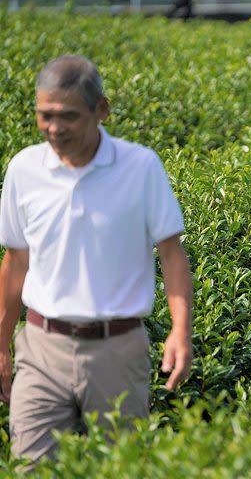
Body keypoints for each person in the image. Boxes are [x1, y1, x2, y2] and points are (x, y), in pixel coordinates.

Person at [0, 55, 193, 465]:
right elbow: (16, 262)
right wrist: (1, 343)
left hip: (117, 349)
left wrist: (180, 332)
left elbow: (172, 256)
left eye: (68, 116)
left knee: (120, 467)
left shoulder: (140, 167)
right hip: (40, 346)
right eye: (44, 115)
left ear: (101, 110)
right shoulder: (23, 169)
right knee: (31, 465)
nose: (54, 128)